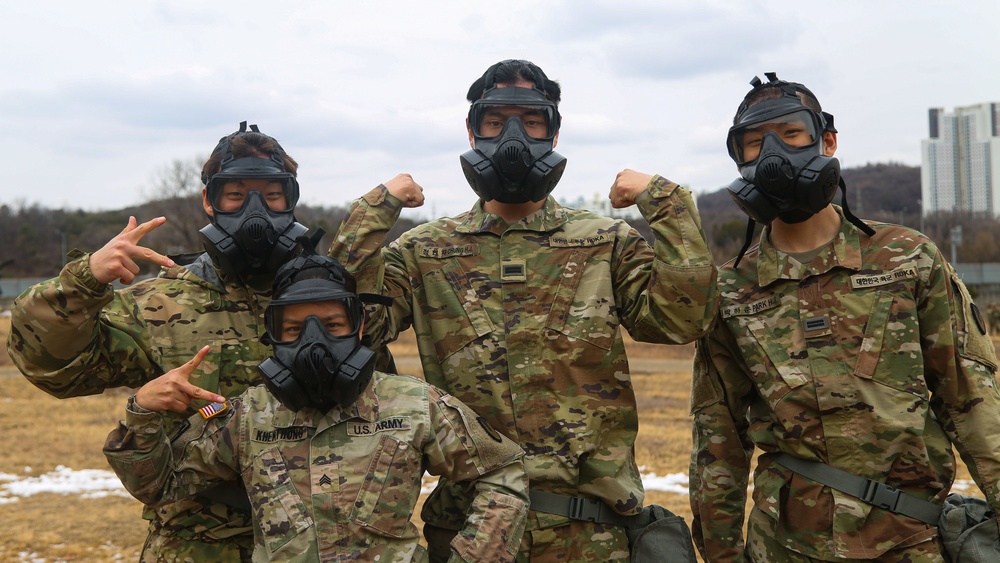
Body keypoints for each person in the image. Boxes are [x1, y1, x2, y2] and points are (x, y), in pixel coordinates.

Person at [329, 59, 718, 561]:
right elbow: (355, 326)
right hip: (472, 531)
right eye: (496, 122)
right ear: (473, 132)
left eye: (531, 122)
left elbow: (683, 321)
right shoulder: (425, 250)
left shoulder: (604, 242)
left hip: (592, 533)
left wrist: (667, 203)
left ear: (553, 133)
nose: (513, 136)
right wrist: (372, 213)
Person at [688, 73, 1000, 562]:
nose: (773, 154)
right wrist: (721, 554)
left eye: (791, 135)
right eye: (754, 144)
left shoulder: (907, 258)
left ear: (826, 140)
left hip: (909, 541)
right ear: (739, 160)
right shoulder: (729, 289)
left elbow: (971, 400)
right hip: (784, 548)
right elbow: (718, 438)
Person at [6, 122, 311, 561]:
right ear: (210, 201)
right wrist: (84, 281)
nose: (255, 209)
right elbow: (52, 367)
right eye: (236, 194)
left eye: (273, 194)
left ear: (291, 200)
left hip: (319, 539)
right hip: (198, 544)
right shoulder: (158, 304)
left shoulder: (328, 297)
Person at [104, 251, 529, 562]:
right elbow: (160, 486)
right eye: (293, 328)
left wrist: (477, 555)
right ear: (273, 334)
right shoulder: (249, 414)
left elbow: (502, 469)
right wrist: (142, 411)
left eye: (332, 325)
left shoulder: (415, 403)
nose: (314, 341)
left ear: (359, 326)